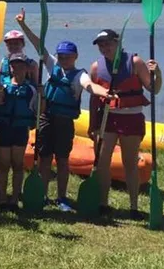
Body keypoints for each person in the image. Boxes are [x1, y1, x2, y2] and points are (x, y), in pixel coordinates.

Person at [15, 12, 112, 210]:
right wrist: (23, 25)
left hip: (64, 121)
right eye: (61, 56)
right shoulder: (53, 66)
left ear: (75, 56)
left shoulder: (80, 75)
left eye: (68, 56)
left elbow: (89, 86)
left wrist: (105, 93)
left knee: (62, 160)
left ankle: (61, 197)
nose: (64, 59)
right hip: (46, 118)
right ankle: (41, 195)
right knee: (44, 159)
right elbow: (38, 45)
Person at [90, 29, 162, 218]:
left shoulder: (135, 62)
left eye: (108, 43)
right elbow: (94, 99)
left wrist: (158, 73)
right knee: (102, 162)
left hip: (131, 117)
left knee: (129, 163)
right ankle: (103, 203)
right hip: (108, 117)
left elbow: (153, 89)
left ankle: (133, 207)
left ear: (118, 42)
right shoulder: (96, 67)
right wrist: (92, 124)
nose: (105, 48)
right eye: (101, 45)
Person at [0, 53, 38, 210]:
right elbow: (0, 100)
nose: (17, 68)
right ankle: (3, 198)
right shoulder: (3, 85)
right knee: (3, 164)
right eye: (14, 65)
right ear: (10, 67)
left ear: (26, 68)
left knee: (17, 164)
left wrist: (42, 96)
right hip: (4, 129)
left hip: (20, 129)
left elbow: (37, 110)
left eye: (20, 65)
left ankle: (15, 198)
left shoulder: (31, 89)